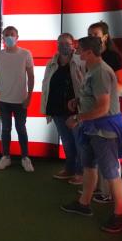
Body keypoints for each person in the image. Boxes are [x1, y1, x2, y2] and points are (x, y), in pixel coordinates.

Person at [60, 36, 122, 233]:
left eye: (80, 49)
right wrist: (79, 101)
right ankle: (84, 203)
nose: (77, 51)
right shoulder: (94, 69)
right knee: (89, 167)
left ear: (89, 53)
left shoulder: (100, 72)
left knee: (111, 173)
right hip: (94, 128)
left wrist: (78, 118)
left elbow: (103, 107)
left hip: (104, 130)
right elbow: (95, 98)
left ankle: (119, 215)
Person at [87, 21, 122, 203]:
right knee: (96, 154)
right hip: (93, 112)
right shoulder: (92, 57)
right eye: (90, 34)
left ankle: (108, 194)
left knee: (108, 159)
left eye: (95, 34)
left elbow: (120, 86)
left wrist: (101, 92)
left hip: (106, 114)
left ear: (105, 36)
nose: (92, 38)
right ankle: (98, 189)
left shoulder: (112, 58)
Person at [40, 33, 85, 183]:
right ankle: (69, 169)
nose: (63, 46)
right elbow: (46, 84)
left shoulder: (80, 61)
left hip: (76, 109)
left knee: (79, 141)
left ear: (73, 45)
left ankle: (80, 172)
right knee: (66, 141)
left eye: (67, 43)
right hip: (57, 108)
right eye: (60, 43)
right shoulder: (51, 63)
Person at [0, 26, 35, 172]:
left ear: (17, 37)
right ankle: (5, 157)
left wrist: (29, 95)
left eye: (12, 34)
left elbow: (31, 76)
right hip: (3, 100)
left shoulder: (25, 54)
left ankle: (25, 158)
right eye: (6, 35)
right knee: (6, 129)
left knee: (21, 129)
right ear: (3, 38)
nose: (9, 37)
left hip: (20, 100)